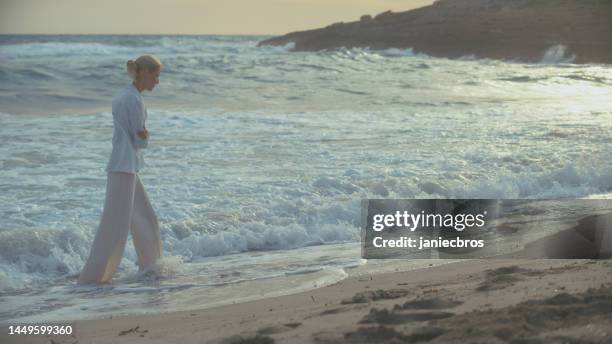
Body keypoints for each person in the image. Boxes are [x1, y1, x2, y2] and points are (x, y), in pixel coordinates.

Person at [78, 55, 163, 284]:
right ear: (144, 73)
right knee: (115, 227)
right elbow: (138, 140)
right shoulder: (133, 100)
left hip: (123, 165)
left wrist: (141, 135)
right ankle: (93, 279)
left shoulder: (124, 96)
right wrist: (146, 137)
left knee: (144, 218)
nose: (157, 81)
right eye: (156, 76)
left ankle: (152, 267)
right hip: (124, 166)